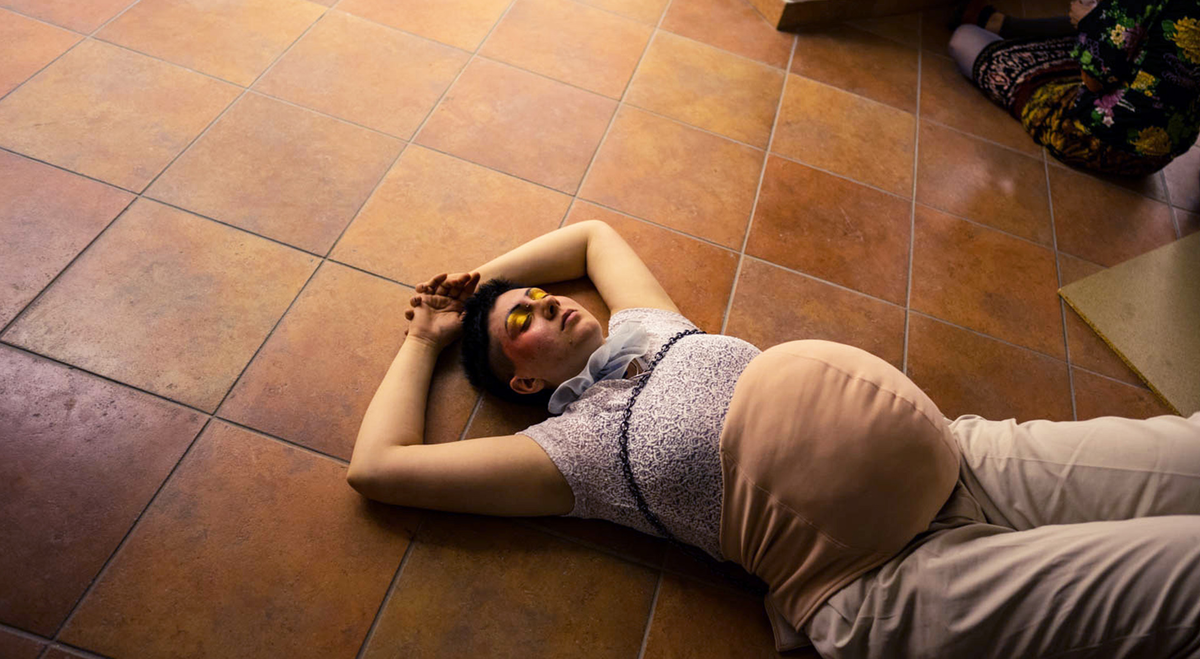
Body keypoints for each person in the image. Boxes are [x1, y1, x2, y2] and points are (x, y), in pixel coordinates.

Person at [347, 220, 1200, 658]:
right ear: (525, 384)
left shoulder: (653, 326)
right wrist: (428, 337)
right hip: (887, 579)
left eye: (539, 294)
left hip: (965, 460)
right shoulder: (573, 449)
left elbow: (592, 235)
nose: (547, 302)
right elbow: (378, 467)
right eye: (521, 322)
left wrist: (479, 283)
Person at [948, 0, 1200, 176]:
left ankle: (989, 23)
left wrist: (1091, 22)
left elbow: (1093, 82)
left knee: (963, 39)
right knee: (1105, 28)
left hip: (1101, 140)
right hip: (1162, 150)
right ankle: (999, 23)